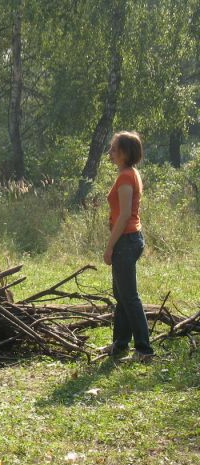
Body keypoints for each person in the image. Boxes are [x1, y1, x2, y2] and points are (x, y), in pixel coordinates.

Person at [101, 130, 154, 362]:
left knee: (129, 297)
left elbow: (123, 217)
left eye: (113, 149)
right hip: (130, 238)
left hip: (126, 240)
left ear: (124, 152)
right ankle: (120, 345)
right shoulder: (130, 173)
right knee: (120, 295)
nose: (110, 153)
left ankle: (144, 350)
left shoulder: (125, 177)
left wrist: (109, 246)